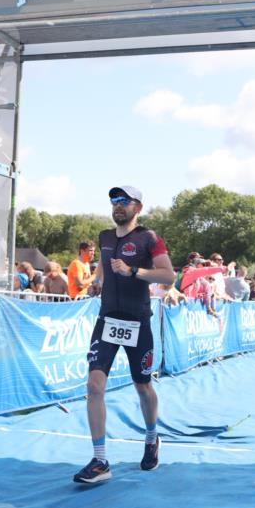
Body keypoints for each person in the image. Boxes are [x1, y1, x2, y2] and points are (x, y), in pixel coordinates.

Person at [73, 186, 175, 485]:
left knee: (143, 386)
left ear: (138, 207)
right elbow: (105, 268)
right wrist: (98, 282)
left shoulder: (149, 238)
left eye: (124, 201)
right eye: (114, 201)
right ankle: (100, 460)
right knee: (94, 385)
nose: (118, 205)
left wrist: (134, 271)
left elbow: (168, 276)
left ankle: (152, 438)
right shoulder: (105, 237)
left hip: (137, 322)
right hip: (107, 319)